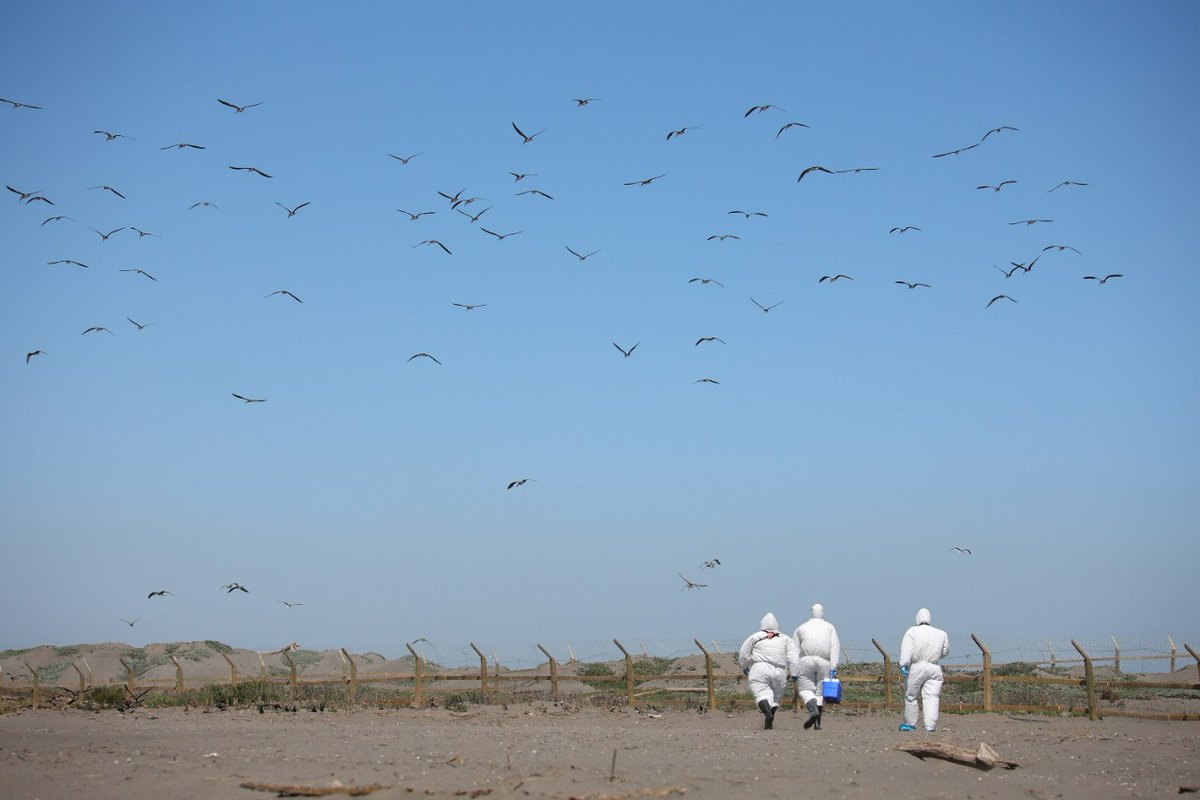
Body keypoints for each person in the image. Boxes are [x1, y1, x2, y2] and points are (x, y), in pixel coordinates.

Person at [738, 612, 801, 730]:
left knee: (760, 693)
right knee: (776, 696)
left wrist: (744, 666)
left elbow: (744, 653)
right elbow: (794, 658)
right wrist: (794, 673)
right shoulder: (785, 638)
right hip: (780, 670)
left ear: (762, 624)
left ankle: (768, 714)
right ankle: (769, 720)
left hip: (760, 668)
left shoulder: (755, 636)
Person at [898, 607, 950, 732]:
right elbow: (945, 651)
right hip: (934, 667)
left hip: (916, 666)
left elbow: (907, 649)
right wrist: (935, 656)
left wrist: (903, 664)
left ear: (917, 618)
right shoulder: (941, 633)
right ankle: (930, 725)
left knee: (911, 695)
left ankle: (910, 723)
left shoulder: (912, 631)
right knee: (932, 696)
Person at [792, 602, 840, 731]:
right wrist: (834, 667)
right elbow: (834, 647)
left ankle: (812, 709)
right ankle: (817, 723)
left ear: (811, 612)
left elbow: (794, 650)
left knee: (805, 689)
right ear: (822, 613)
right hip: (824, 661)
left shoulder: (801, 628)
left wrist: (793, 670)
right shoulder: (830, 627)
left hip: (806, 660)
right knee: (820, 692)